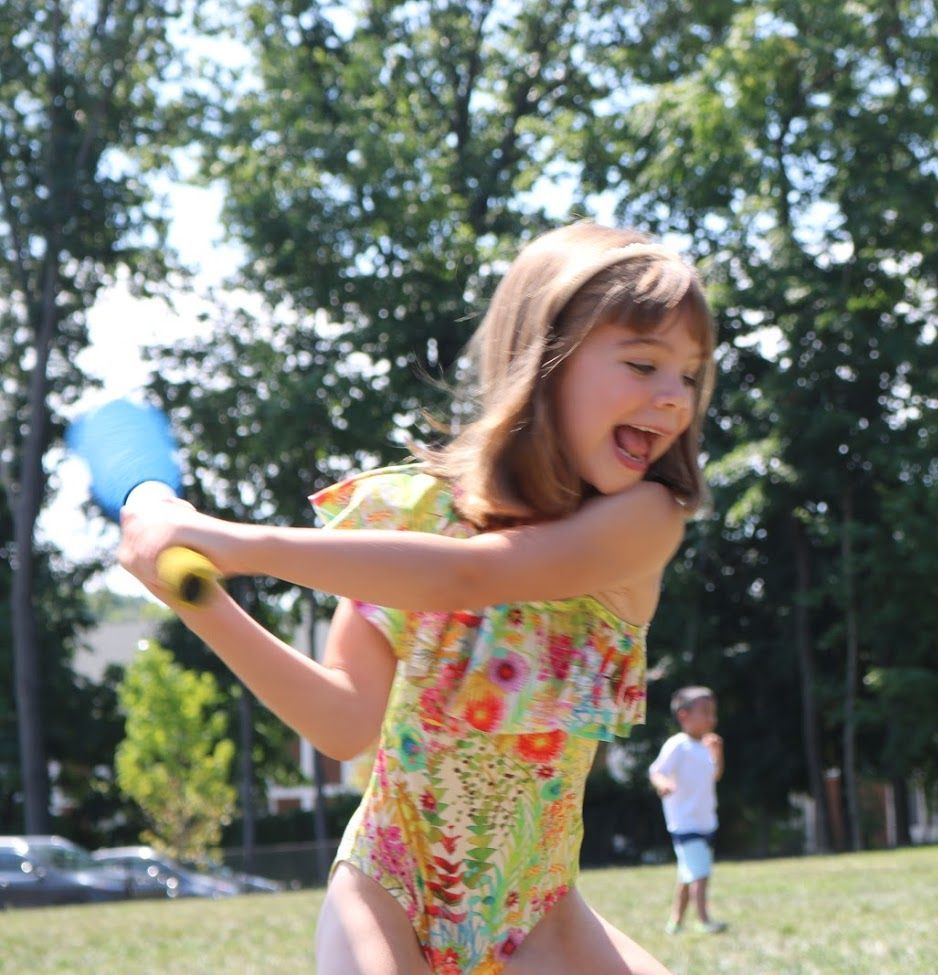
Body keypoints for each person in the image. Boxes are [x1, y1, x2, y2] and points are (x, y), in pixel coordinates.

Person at [117, 222, 716, 975]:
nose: (673, 399)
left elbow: (469, 576)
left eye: (689, 375)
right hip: (386, 889)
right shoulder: (409, 522)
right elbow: (341, 721)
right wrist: (199, 597)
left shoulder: (644, 521)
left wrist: (233, 541)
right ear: (543, 360)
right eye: (642, 363)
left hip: (538, 914)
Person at [648, 686, 727, 935]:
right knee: (700, 873)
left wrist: (718, 753)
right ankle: (704, 920)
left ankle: (676, 922)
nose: (711, 718)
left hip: (705, 821)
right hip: (685, 822)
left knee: (687, 874)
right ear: (683, 715)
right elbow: (656, 770)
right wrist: (664, 784)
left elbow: (714, 775)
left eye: (713, 712)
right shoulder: (678, 745)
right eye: (705, 712)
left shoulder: (704, 747)